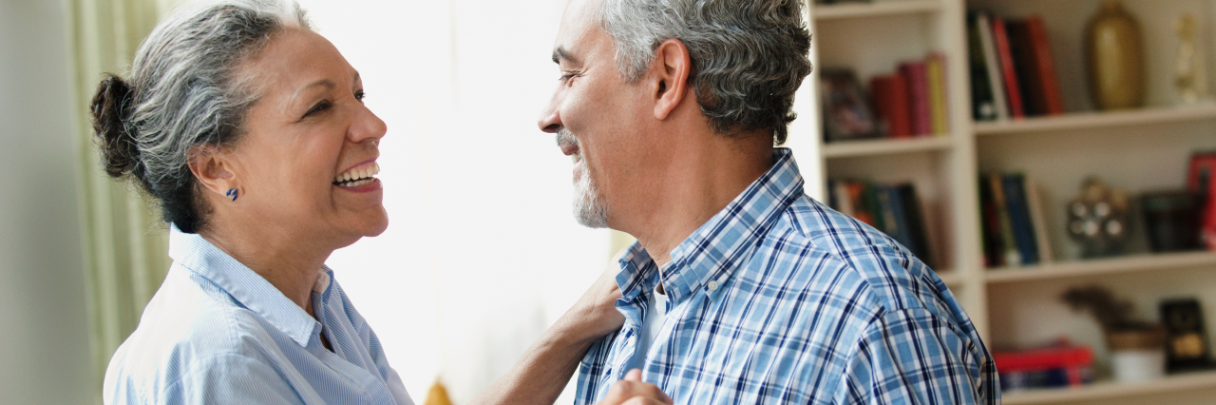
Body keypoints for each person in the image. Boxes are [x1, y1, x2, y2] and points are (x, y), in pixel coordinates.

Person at [95, 1, 671, 404]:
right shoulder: (216, 363)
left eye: (359, 95)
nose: (373, 125)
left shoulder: (313, 298)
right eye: (319, 108)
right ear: (216, 167)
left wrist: (577, 325)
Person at [537, 0, 1000, 403]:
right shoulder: (627, 306)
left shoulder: (875, 316)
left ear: (666, 79)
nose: (548, 116)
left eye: (570, 74)